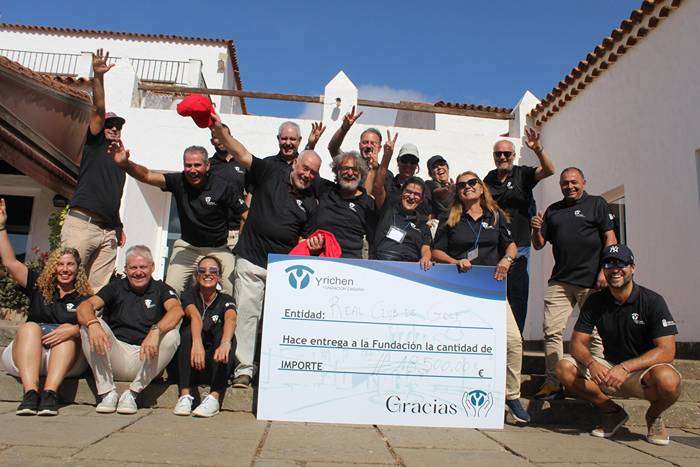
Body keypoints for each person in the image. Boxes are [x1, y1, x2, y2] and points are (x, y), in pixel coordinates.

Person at [210, 113, 323, 389]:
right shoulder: (270, 171)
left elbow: (304, 239)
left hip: (283, 270)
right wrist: (217, 128)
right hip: (251, 259)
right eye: (304, 168)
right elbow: (240, 152)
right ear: (294, 163)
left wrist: (313, 245)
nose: (306, 174)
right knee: (247, 316)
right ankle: (243, 371)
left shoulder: (311, 202)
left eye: (312, 172)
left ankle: (275, 369)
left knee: (278, 322)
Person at [556, 244, 681, 445]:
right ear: (604, 270)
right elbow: (578, 343)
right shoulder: (595, 301)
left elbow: (667, 350)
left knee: (669, 381)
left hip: (643, 372)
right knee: (563, 367)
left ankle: (654, 416)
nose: (614, 270)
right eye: (608, 264)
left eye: (621, 264)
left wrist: (625, 367)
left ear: (632, 268)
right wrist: (591, 363)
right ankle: (612, 412)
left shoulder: (652, 301)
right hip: (609, 368)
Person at [431, 172, 529, 423]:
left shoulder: (495, 217)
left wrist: (507, 260)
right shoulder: (450, 218)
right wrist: (455, 261)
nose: (467, 187)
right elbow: (436, 251)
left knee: (513, 341)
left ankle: (512, 395)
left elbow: (511, 245)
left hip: (491, 288)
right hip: (459, 288)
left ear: (481, 187)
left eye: (472, 182)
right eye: (462, 185)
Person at [108, 143, 245, 296]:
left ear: (207, 166)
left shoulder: (223, 186)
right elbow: (147, 175)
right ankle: (175, 319)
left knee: (233, 289)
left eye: (197, 165)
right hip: (188, 247)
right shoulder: (178, 181)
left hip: (219, 248)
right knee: (170, 291)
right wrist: (125, 164)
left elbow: (246, 214)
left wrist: (246, 243)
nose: (192, 170)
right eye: (188, 165)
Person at [531, 167, 617, 400]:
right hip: (560, 280)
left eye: (573, 182)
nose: (569, 186)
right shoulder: (554, 210)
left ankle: (599, 381)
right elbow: (539, 245)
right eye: (565, 183)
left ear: (583, 183)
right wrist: (536, 229)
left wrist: (605, 270)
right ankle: (553, 382)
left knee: (595, 334)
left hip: (592, 281)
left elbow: (610, 238)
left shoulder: (597, 204)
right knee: (551, 331)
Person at [0, 200, 92, 416]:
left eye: (70, 264)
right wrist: (2, 228)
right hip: (26, 354)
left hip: (62, 361)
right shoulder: (39, 285)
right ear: (53, 267)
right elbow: (11, 263)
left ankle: (50, 394)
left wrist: (75, 329)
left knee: (66, 335)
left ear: (78, 269)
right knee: (30, 327)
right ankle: (31, 393)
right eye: (60, 264)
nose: (65, 269)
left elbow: (96, 324)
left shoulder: (85, 297)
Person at [77, 245, 183, 414]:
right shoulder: (115, 287)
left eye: (143, 267)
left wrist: (155, 331)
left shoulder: (162, 289)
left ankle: (132, 394)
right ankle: (107, 393)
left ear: (152, 267)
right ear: (126, 269)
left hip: (147, 359)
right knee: (88, 326)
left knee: (172, 335)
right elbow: (85, 306)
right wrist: (93, 324)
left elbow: (176, 310)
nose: (138, 272)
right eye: (133, 267)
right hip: (116, 355)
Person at [60, 49, 126, 292]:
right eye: (109, 125)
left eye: (118, 126)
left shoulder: (120, 162)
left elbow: (113, 196)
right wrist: (99, 77)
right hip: (82, 225)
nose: (113, 129)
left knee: (97, 292)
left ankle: (87, 331)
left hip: (107, 230)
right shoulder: (95, 144)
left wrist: (118, 226)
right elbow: (99, 108)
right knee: (67, 282)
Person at [484, 129, 555, 334]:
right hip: (496, 246)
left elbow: (550, 170)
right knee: (495, 293)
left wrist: (538, 149)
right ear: (494, 157)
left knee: (517, 293)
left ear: (513, 156)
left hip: (521, 245)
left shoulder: (522, 174)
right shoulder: (488, 180)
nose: (503, 157)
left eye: (507, 153)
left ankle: (516, 341)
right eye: (499, 154)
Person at [173, 256, 237, 418]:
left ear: (220, 276)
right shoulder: (188, 295)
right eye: (202, 271)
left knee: (226, 334)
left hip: (215, 363)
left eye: (213, 271)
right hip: (191, 362)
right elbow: (194, 316)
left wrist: (225, 343)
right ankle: (185, 395)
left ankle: (214, 397)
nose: (207, 274)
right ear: (196, 275)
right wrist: (197, 343)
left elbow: (231, 318)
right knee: (188, 332)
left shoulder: (226, 299)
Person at [371, 140, 432, 268]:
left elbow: (426, 246)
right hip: (382, 263)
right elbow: (377, 187)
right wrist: (387, 156)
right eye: (408, 192)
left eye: (416, 194)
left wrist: (426, 257)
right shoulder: (388, 208)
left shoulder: (422, 221)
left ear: (421, 200)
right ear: (401, 193)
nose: (411, 196)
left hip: (410, 267)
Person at [311, 150, 377, 259]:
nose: (350, 173)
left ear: (361, 173)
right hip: (320, 258)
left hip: (350, 265)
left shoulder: (368, 203)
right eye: (345, 168)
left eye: (355, 169)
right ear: (337, 171)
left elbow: (373, 240)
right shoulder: (326, 189)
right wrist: (310, 144)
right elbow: (306, 169)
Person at [209, 124, 249, 249]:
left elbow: (251, 194)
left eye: (224, 135)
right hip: (213, 231)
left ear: (230, 138)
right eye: (216, 137)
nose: (220, 139)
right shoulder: (207, 166)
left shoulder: (244, 164)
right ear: (212, 141)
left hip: (238, 232)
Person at [425, 155, 454, 220]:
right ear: (430, 173)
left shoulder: (455, 187)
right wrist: (446, 190)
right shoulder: (429, 184)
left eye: (442, 164)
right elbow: (436, 192)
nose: (439, 168)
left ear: (447, 168)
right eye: (435, 167)